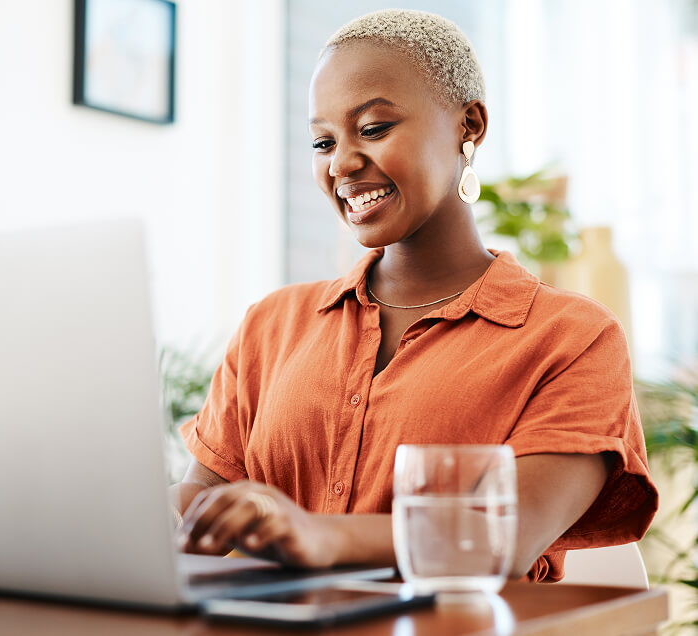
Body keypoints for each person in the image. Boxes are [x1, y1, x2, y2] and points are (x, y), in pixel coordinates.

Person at [173, 9, 657, 582]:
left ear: (468, 126)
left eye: (373, 129)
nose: (342, 164)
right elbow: (193, 520)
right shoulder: (271, 325)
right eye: (322, 141)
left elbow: (503, 537)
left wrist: (316, 534)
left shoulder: (571, 339)